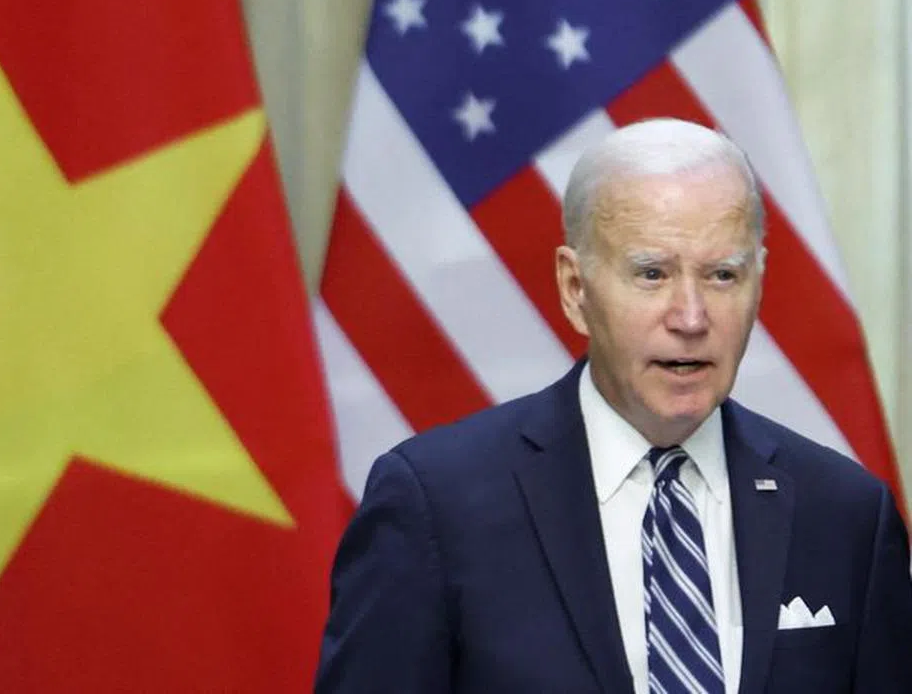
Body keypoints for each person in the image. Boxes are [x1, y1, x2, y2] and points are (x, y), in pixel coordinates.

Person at [314, 118, 912, 693]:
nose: (691, 318)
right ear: (575, 289)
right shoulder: (436, 506)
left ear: (758, 281)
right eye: (652, 274)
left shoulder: (846, 516)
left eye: (722, 276)